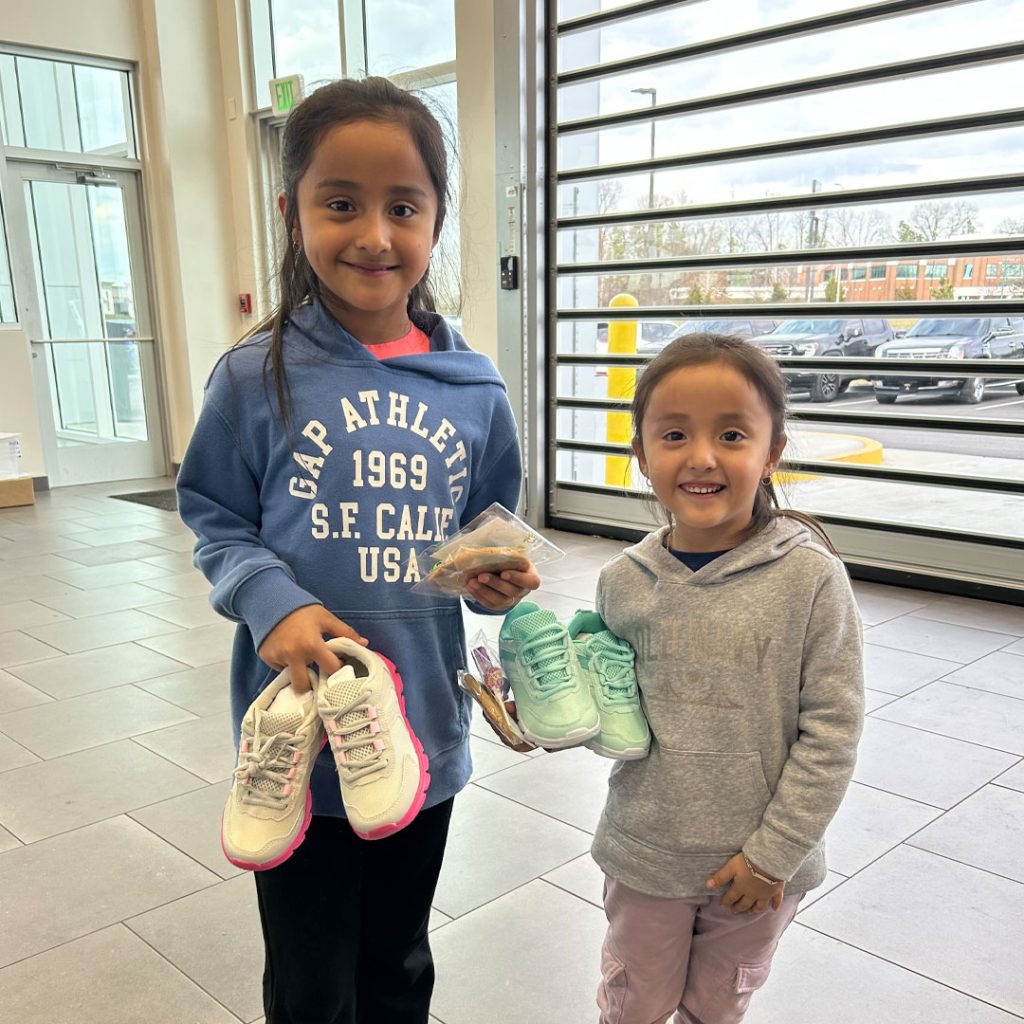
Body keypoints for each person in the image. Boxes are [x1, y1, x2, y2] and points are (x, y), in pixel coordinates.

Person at [176, 77, 539, 1024]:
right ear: (291, 213)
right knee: (308, 982)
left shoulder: (476, 391)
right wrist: (273, 601)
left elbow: (482, 536)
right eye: (341, 203)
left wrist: (493, 584)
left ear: (436, 221)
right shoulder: (252, 377)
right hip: (296, 746)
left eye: (403, 208)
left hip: (419, 733)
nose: (374, 235)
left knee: (398, 963)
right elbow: (215, 515)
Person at [591, 333, 864, 1024]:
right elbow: (616, 710)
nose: (703, 457)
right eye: (675, 434)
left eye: (733, 434)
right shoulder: (623, 582)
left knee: (718, 1006)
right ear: (642, 455)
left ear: (772, 452)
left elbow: (832, 732)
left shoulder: (810, 579)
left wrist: (774, 856)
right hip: (646, 854)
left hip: (759, 869)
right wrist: (553, 709)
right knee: (636, 1001)